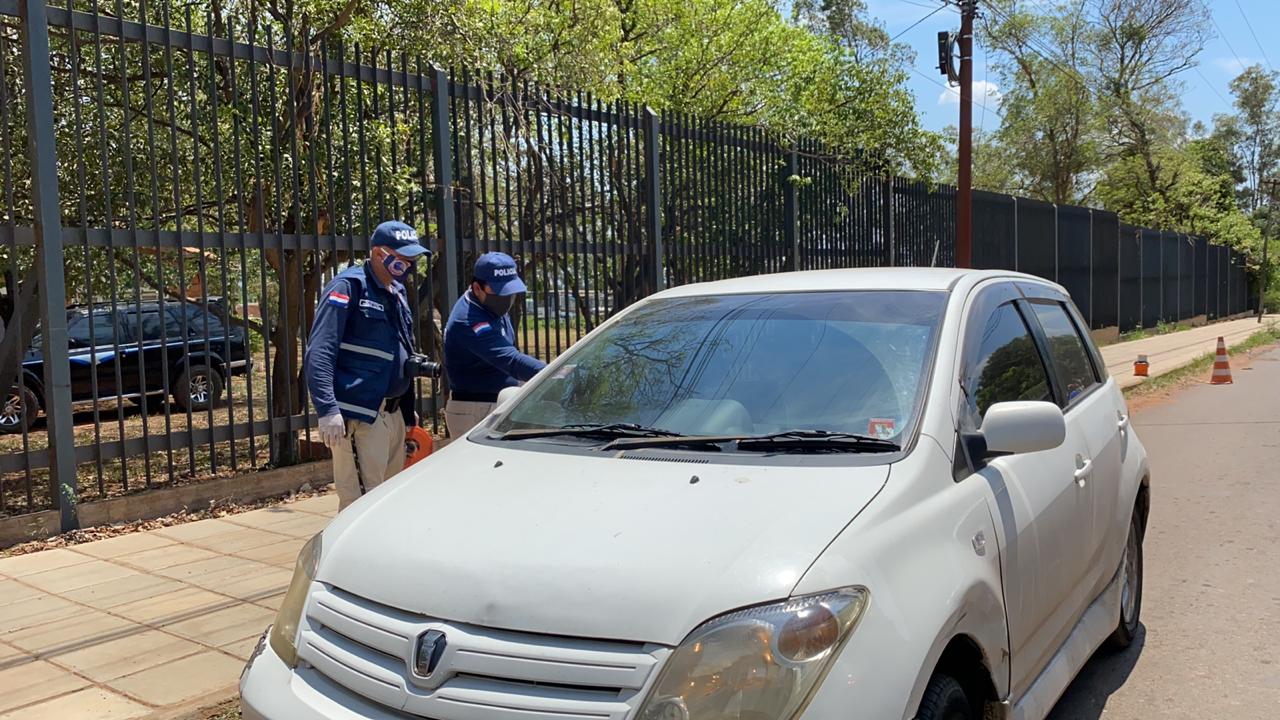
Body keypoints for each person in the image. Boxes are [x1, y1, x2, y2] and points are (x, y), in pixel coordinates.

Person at [304, 220, 430, 510]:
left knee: (386, 504)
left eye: (411, 259)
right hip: (361, 417)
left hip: (393, 414)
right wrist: (327, 409)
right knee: (360, 506)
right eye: (401, 259)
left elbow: (402, 352)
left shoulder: (397, 292)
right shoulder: (348, 287)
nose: (408, 266)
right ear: (377, 252)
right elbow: (320, 350)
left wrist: (407, 410)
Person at [443, 252, 546, 436]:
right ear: (477, 288)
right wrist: (554, 374)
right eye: (500, 292)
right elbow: (511, 360)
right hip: (474, 410)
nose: (506, 298)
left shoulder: (490, 307)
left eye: (510, 291)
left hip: (496, 403)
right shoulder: (469, 320)